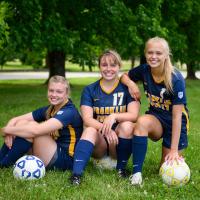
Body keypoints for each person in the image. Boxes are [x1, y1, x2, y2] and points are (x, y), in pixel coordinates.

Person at [121, 37, 189, 185]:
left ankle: (171, 151)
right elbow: (123, 76)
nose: (153, 56)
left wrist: (174, 150)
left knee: (165, 169)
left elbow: (177, 117)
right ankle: (137, 173)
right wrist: (132, 84)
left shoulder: (176, 79)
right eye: (150, 52)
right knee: (142, 122)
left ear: (166, 55)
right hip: (156, 118)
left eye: (158, 53)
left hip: (175, 123)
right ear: (145, 54)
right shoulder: (144, 70)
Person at [70, 50, 140, 185]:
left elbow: (134, 115)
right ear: (99, 66)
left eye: (113, 65)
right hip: (100, 142)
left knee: (127, 125)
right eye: (104, 65)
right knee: (89, 130)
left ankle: (121, 169)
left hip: (120, 141)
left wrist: (114, 116)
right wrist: (106, 129)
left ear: (119, 66)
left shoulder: (127, 88)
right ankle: (76, 175)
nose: (108, 69)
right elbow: (87, 119)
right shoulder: (90, 89)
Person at [0, 75, 83, 171]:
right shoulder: (50, 109)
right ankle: (2, 159)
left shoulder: (69, 111)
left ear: (67, 94)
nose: (54, 94)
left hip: (65, 160)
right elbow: (16, 119)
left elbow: (36, 131)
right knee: (22, 123)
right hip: (51, 151)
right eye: (51, 90)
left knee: (31, 128)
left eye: (59, 92)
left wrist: (8, 130)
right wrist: (9, 130)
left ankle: (4, 164)